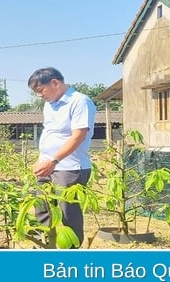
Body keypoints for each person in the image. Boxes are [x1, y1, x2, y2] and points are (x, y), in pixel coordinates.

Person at [28, 67, 96, 248]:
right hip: (48, 165)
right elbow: (51, 133)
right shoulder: (49, 105)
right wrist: (43, 158)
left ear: (55, 83)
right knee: (42, 206)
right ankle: (45, 245)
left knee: (68, 212)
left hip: (69, 168)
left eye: (40, 90)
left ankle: (70, 254)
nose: (40, 95)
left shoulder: (80, 101)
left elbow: (78, 135)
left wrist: (54, 160)